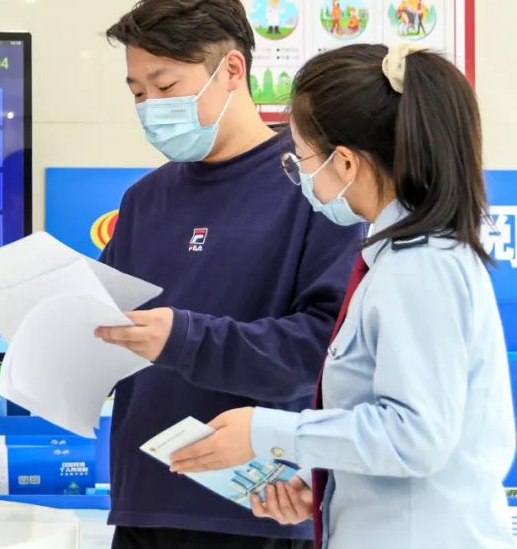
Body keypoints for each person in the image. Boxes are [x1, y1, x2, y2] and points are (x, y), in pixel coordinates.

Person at [166, 43, 515, 548]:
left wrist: (267, 431)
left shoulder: (419, 266)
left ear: (346, 162)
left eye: (302, 159)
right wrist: (327, 483)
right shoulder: (399, 260)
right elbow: (398, 429)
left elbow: (416, 437)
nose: (301, 176)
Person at [92, 0, 363, 548]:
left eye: (165, 85)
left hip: (257, 508)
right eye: (137, 92)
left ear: (232, 70)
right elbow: (111, 331)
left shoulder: (315, 186)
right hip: (143, 501)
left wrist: (184, 338)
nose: (150, 107)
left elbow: (325, 351)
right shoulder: (144, 200)